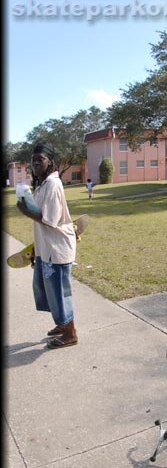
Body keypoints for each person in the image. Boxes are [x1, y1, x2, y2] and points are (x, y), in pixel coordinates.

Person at [16, 142, 79, 349]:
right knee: (46, 290)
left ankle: (70, 333)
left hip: (57, 249)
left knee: (60, 292)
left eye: (40, 159)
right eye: (33, 159)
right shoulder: (43, 184)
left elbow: (49, 219)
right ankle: (62, 325)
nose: (35, 163)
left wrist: (25, 211)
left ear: (50, 161)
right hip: (47, 248)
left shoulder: (53, 184)